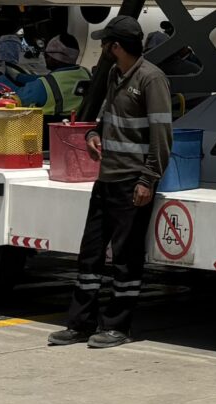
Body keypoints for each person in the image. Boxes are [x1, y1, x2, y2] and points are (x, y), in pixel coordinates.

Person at [48, 18, 172, 349]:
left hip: (132, 182)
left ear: (115, 46)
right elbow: (107, 119)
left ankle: (117, 326)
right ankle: (80, 324)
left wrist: (148, 179)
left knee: (125, 258)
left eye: (106, 44)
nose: (102, 49)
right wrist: (93, 134)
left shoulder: (151, 79)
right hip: (106, 179)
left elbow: (162, 135)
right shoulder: (116, 75)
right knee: (90, 255)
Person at [16, 32, 89, 129]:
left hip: (48, 137)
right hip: (78, 132)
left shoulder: (44, 85)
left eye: (46, 55)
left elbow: (16, 97)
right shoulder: (86, 73)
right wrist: (18, 76)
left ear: (56, 59)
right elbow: (47, 78)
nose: (45, 58)